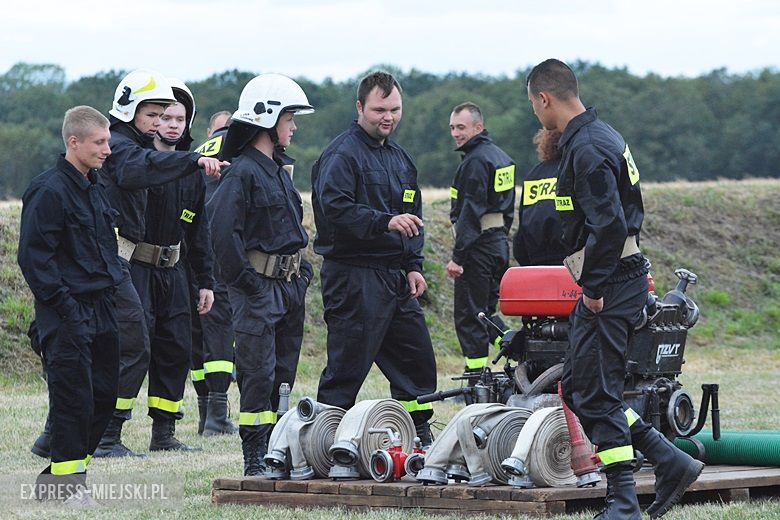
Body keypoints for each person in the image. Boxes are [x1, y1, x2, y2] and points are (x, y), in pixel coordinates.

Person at [526, 58, 703, 519]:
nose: (536, 115)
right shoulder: (604, 135)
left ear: (545, 98)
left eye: (533, 105)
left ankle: (625, 501)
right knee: (587, 388)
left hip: (611, 281)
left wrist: (594, 289)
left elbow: (608, 225)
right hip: (621, 275)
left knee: (592, 390)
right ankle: (668, 461)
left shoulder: (586, 148)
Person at [96, 69, 226, 456]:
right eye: (157, 115)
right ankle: (108, 434)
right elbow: (142, 168)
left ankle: (164, 433)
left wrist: (206, 280)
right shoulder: (129, 152)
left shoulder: (188, 169)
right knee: (133, 344)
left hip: (175, 270)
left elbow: (198, 231)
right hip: (134, 266)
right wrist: (192, 161)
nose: (164, 123)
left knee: (175, 349)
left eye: (173, 116)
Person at [311, 71, 437, 446]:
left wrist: (414, 266)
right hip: (353, 275)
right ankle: (324, 442)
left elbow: (413, 218)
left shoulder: (401, 160)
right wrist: (384, 222)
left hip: (395, 278)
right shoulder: (341, 155)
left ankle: (418, 438)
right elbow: (334, 210)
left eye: (395, 109)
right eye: (380, 109)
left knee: (417, 361)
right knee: (347, 368)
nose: (388, 117)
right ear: (360, 107)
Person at [208, 73, 315, 475]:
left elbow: (291, 232)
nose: (294, 126)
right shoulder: (242, 173)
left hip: (287, 289)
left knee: (282, 375)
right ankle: (254, 456)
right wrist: (249, 286)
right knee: (257, 375)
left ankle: (276, 449)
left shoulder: (275, 171)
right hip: (258, 291)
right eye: (290, 117)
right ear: (268, 119)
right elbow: (221, 234)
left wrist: (301, 276)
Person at [19, 106, 123, 505]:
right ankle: (66, 487)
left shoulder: (95, 186)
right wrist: (65, 308)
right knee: (73, 399)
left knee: (104, 397)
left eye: (108, 142)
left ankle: (58, 480)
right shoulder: (47, 190)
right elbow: (34, 258)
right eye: (99, 143)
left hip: (102, 305)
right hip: (67, 311)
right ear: (74, 142)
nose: (107, 150)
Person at [446, 102, 515, 374]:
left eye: (461, 127)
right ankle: (516, 346)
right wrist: (499, 241)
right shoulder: (501, 157)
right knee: (486, 311)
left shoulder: (475, 162)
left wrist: (458, 257)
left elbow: (470, 214)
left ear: (478, 127)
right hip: (498, 244)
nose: (455, 133)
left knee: (470, 315)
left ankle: (475, 377)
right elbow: (507, 211)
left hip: (477, 248)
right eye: (452, 127)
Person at [512, 128, 567, 266]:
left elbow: (521, 236)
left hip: (536, 265)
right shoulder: (577, 170)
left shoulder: (534, 175)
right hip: (572, 266)